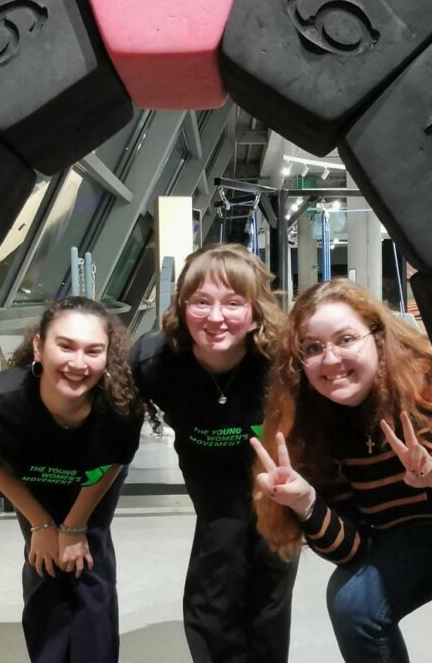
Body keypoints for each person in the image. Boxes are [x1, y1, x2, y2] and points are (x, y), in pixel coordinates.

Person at [251, 279, 432, 663]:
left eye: (345, 339)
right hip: (423, 541)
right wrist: (307, 503)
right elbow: (356, 549)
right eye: (313, 348)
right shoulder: (318, 430)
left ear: (376, 339)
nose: (330, 359)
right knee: (351, 601)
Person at [130, 243, 299, 663]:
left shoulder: (281, 358)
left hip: (273, 473)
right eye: (201, 302)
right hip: (209, 472)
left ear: (256, 309)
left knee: (272, 574)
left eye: (233, 302)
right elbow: (108, 417)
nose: (216, 317)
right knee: (218, 566)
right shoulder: (155, 360)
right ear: (183, 306)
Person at [0, 296, 144, 663]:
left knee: (89, 564)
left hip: (92, 483)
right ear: (39, 347)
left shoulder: (121, 407)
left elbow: (111, 466)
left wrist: (75, 527)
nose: (78, 363)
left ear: (107, 356)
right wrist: (41, 525)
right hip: (33, 487)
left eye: (93, 351)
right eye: (65, 346)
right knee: (43, 565)